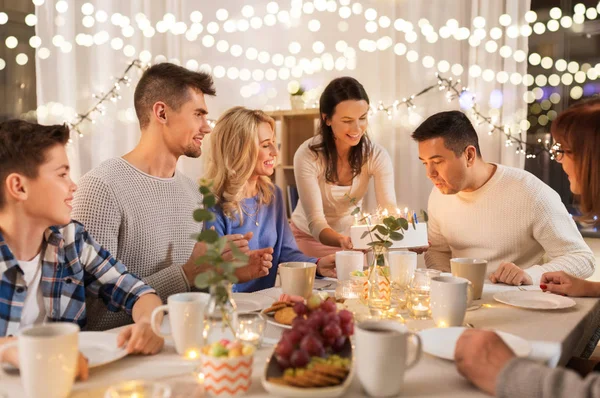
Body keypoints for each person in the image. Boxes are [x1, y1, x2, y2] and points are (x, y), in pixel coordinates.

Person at [72, 63, 273, 330]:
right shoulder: (101, 188)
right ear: (162, 112)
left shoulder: (193, 193)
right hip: (123, 359)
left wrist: (223, 276)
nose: (207, 127)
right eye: (198, 114)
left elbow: (192, 294)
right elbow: (93, 315)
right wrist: (186, 274)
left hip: (182, 345)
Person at [455, 98, 600, 397]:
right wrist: (589, 288)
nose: (558, 159)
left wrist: (508, 373)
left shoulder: (528, 190)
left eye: (564, 150)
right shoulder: (440, 196)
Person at [0, 120, 165, 380]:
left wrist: (148, 323)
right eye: (62, 174)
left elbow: (136, 291)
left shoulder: (70, 240)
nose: (73, 185)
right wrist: (13, 349)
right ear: (19, 187)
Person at [412, 110, 594, 286]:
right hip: (462, 301)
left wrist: (530, 275)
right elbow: (437, 250)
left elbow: (582, 258)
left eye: (437, 162)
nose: (430, 173)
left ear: (469, 155)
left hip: (517, 303)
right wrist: (449, 284)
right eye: (425, 163)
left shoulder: (530, 192)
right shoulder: (439, 195)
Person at [204, 107, 337, 292]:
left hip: (263, 305)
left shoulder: (273, 195)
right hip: (229, 309)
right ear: (239, 149)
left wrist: (318, 264)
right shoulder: (212, 203)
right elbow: (209, 275)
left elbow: (285, 252)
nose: (275, 151)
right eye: (266, 145)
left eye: (274, 143)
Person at [290, 76, 397, 258]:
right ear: (327, 119)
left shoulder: (376, 155)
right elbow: (315, 223)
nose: (357, 128)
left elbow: (389, 209)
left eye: (362, 118)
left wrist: (407, 236)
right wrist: (341, 241)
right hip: (307, 239)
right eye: (347, 121)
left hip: (351, 241)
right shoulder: (307, 155)